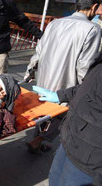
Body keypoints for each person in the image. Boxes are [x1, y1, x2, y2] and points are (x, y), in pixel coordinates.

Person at [24, 0, 102, 154]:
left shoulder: (54, 23)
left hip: (45, 79)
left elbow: (39, 51)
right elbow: (84, 66)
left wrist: (30, 71)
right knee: (61, 117)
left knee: (44, 112)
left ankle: (37, 140)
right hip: (66, 84)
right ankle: (37, 141)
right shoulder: (92, 29)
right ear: (94, 7)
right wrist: (84, 90)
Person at [30, 52, 102, 185]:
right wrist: (60, 95)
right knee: (54, 179)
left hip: (90, 160)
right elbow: (89, 86)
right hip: (70, 138)